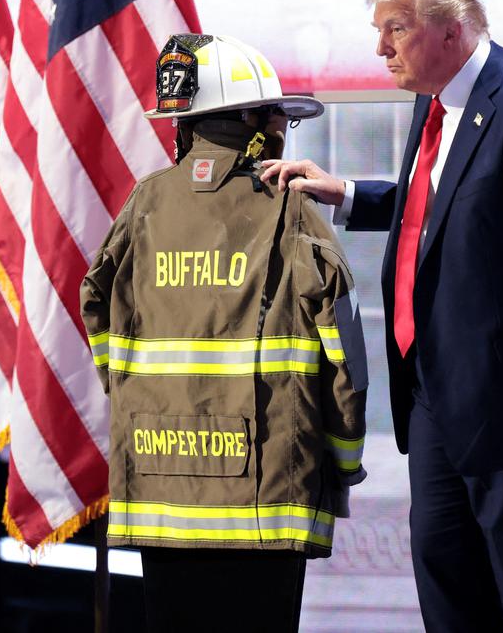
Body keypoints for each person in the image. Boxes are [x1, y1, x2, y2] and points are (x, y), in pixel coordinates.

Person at [261, 0, 503, 632]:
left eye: (394, 31)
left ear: (452, 29)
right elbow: (441, 208)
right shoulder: (433, 95)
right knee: (446, 581)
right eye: (377, 32)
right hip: (433, 392)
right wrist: (346, 193)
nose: (380, 50)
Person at [81, 34, 368, 633]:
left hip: (160, 486)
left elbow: (97, 307)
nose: (284, 130)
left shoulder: (143, 205)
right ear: (251, 122)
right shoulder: (291, 210)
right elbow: (345, 359)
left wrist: (138, 396)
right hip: (266, 498)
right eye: (276, 115)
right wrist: (342, 463)